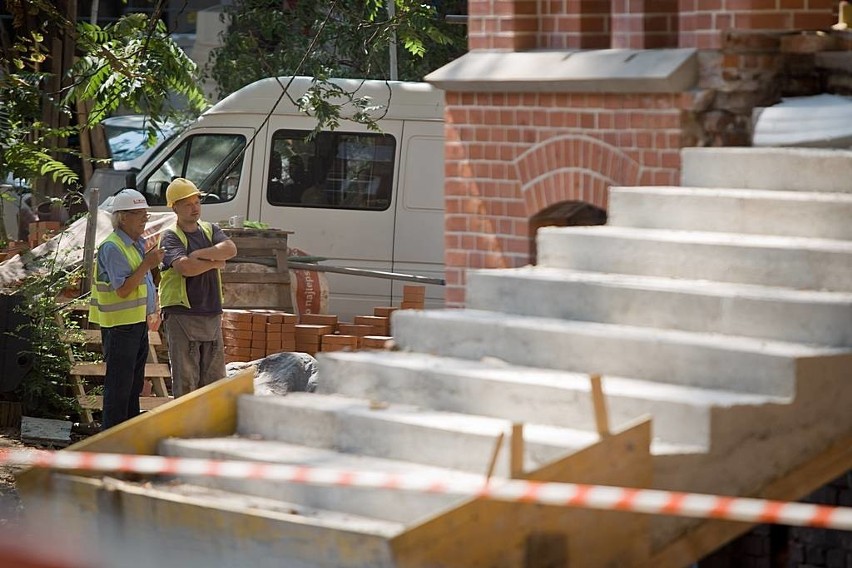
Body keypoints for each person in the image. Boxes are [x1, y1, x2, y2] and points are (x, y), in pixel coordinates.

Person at [88, 188, 164, 430]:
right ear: (123, 217)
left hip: (135, 323)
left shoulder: (134, 245)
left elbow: (142, 284)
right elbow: (123, 289)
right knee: (119, 387)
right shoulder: (112, 247)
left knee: (133, 385)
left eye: (146, 214)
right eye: (139, 214)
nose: (145, 219)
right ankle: (112, 437)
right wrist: (148, 263)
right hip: (119, 326)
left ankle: (126, 434)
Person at [158, 177, 237, 397]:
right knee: (186, 380)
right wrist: (215, 262)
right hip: (182, 313)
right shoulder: (170, 236)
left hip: (210, 311)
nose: (195, 208)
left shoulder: (209, 230)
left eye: (197, 202)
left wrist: (200, 254)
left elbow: (230, 250)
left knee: (214, 380)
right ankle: (185, 429)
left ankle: (208, 429)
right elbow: (186, 268)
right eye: (187, 204)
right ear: (175, 208)